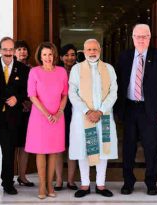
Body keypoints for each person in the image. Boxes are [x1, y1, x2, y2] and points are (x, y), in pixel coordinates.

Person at [117, 24, 157, 196]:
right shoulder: (124, 56)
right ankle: (128, 182)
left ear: (150, 37)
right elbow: (117, 84)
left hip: (151, 110)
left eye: (144, 36)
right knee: (128, 148)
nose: (141, 39)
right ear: (132, 38)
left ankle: (151, 183)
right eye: (138, 36)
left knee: (150, 148)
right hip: (130, 108)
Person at [69, 39, 118, 198]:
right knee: (84, 149)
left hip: (103, 116)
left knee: (103, 150)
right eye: (89, 49)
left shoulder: (109, 69)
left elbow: (113, 92)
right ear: (83, 51)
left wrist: (101, 111)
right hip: (83, 116)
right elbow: (72, 93)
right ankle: (84, 184)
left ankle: (100, 184)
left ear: (100, 50)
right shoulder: (76, 69)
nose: (92, 52)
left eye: (95, 49)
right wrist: (87, 111)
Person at [0, 37, 28, 196]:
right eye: (5, 49)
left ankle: (8, 184)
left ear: (14, 51)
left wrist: (18, 98)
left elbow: (26, 91)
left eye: (11, 50)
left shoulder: (23, 69)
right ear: (0, 50)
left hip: (11, 119)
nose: (8, 53)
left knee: (8, 153)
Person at [25, 42, 68, 199]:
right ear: (40, 56)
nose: (48, 58)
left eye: (50, 54)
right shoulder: (34, 72)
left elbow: (65, 95)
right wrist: (47, 114)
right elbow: (32, 95)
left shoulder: (62, 72)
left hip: (57, 117)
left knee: (54, 151)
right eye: (44, 55)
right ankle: (42, 185)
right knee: (41, 151)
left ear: (54, 55)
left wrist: (58, 113)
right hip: (39, 117)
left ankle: (50, 184)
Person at [55, 44, 78, 191]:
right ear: (61, 57)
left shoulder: (80, 69)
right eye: (67, 55)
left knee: (72, 146)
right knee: (58, 147)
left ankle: (70, 180)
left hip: (76, 111)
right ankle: (58, 180)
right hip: (59, 111)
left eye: (73, 54)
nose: (70, 57)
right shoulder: (56, 70)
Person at [14, 40, 34, 187]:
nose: (22, 52)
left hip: (29, 112)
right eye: (19, 49)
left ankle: (22, 175)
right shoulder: (10, 68)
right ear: (14, 52)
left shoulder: (33, 69)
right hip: (13, 111)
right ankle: (9, 176)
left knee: (24, 145)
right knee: (11, 146)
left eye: (24, 49)